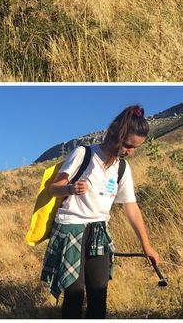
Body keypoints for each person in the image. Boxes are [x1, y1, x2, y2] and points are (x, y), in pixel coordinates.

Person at [40, 105, 160, 319]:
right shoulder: (83, 154)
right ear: (116, 134)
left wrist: (147, 246)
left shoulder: (122, 168)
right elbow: (53, 188)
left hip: (99, 232)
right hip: (70, 230)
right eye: (127, 145)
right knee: (74, 295)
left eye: (135, 148)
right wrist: (70, 188)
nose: (130, 152)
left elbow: (130, 206)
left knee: (99, 294)